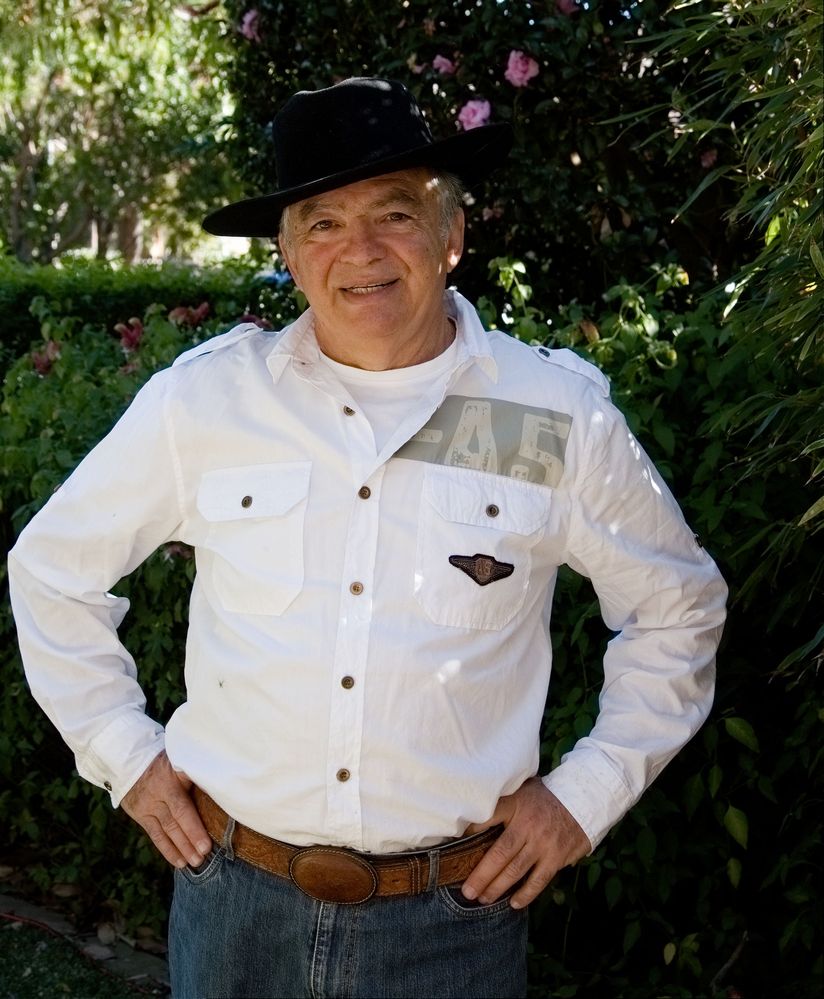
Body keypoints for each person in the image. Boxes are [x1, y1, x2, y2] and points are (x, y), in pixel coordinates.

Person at [8, 77, 727, 999]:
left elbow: (678, 608)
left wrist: (581, 803)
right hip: (236, 914)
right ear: (288, 256)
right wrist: (126, 756)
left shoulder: (545, 414)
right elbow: (51, 570)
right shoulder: (209, 405)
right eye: (321, 223)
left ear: (452, 236)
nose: (361, 251)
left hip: (453, 925)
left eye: (395, 213)